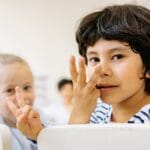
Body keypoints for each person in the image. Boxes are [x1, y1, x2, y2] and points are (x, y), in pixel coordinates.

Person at [7, 4, 150, 141]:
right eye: (94, 59)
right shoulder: (98, 111)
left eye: (117, 57)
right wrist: (41, 134)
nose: (102, 70)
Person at [0, 53, 39, 150]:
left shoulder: (42, 120)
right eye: (10, 90)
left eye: (26, 87)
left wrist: (38, 135)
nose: (21, 97)